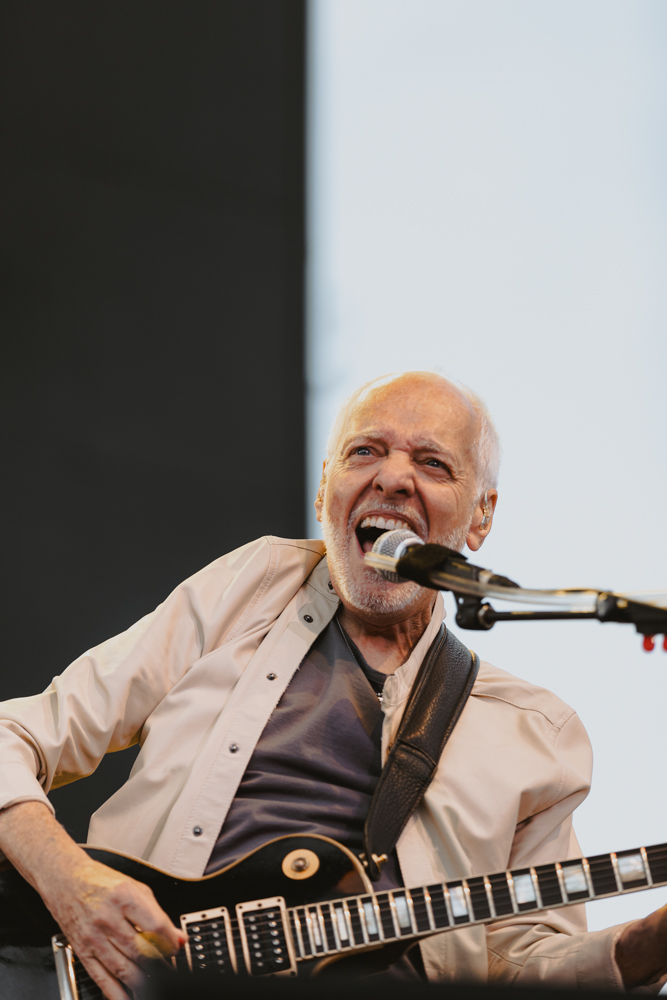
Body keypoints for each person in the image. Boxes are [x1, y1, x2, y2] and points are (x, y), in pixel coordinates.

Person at [0, 371, 665, 1000]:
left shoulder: (534, 731)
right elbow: (13, 737)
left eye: (432, 463)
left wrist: (648, 944)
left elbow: (521, 973)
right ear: (324, 491)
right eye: (365, 451)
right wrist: (68, 879)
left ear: (479, 518)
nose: (394, 478)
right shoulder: (250, 588)